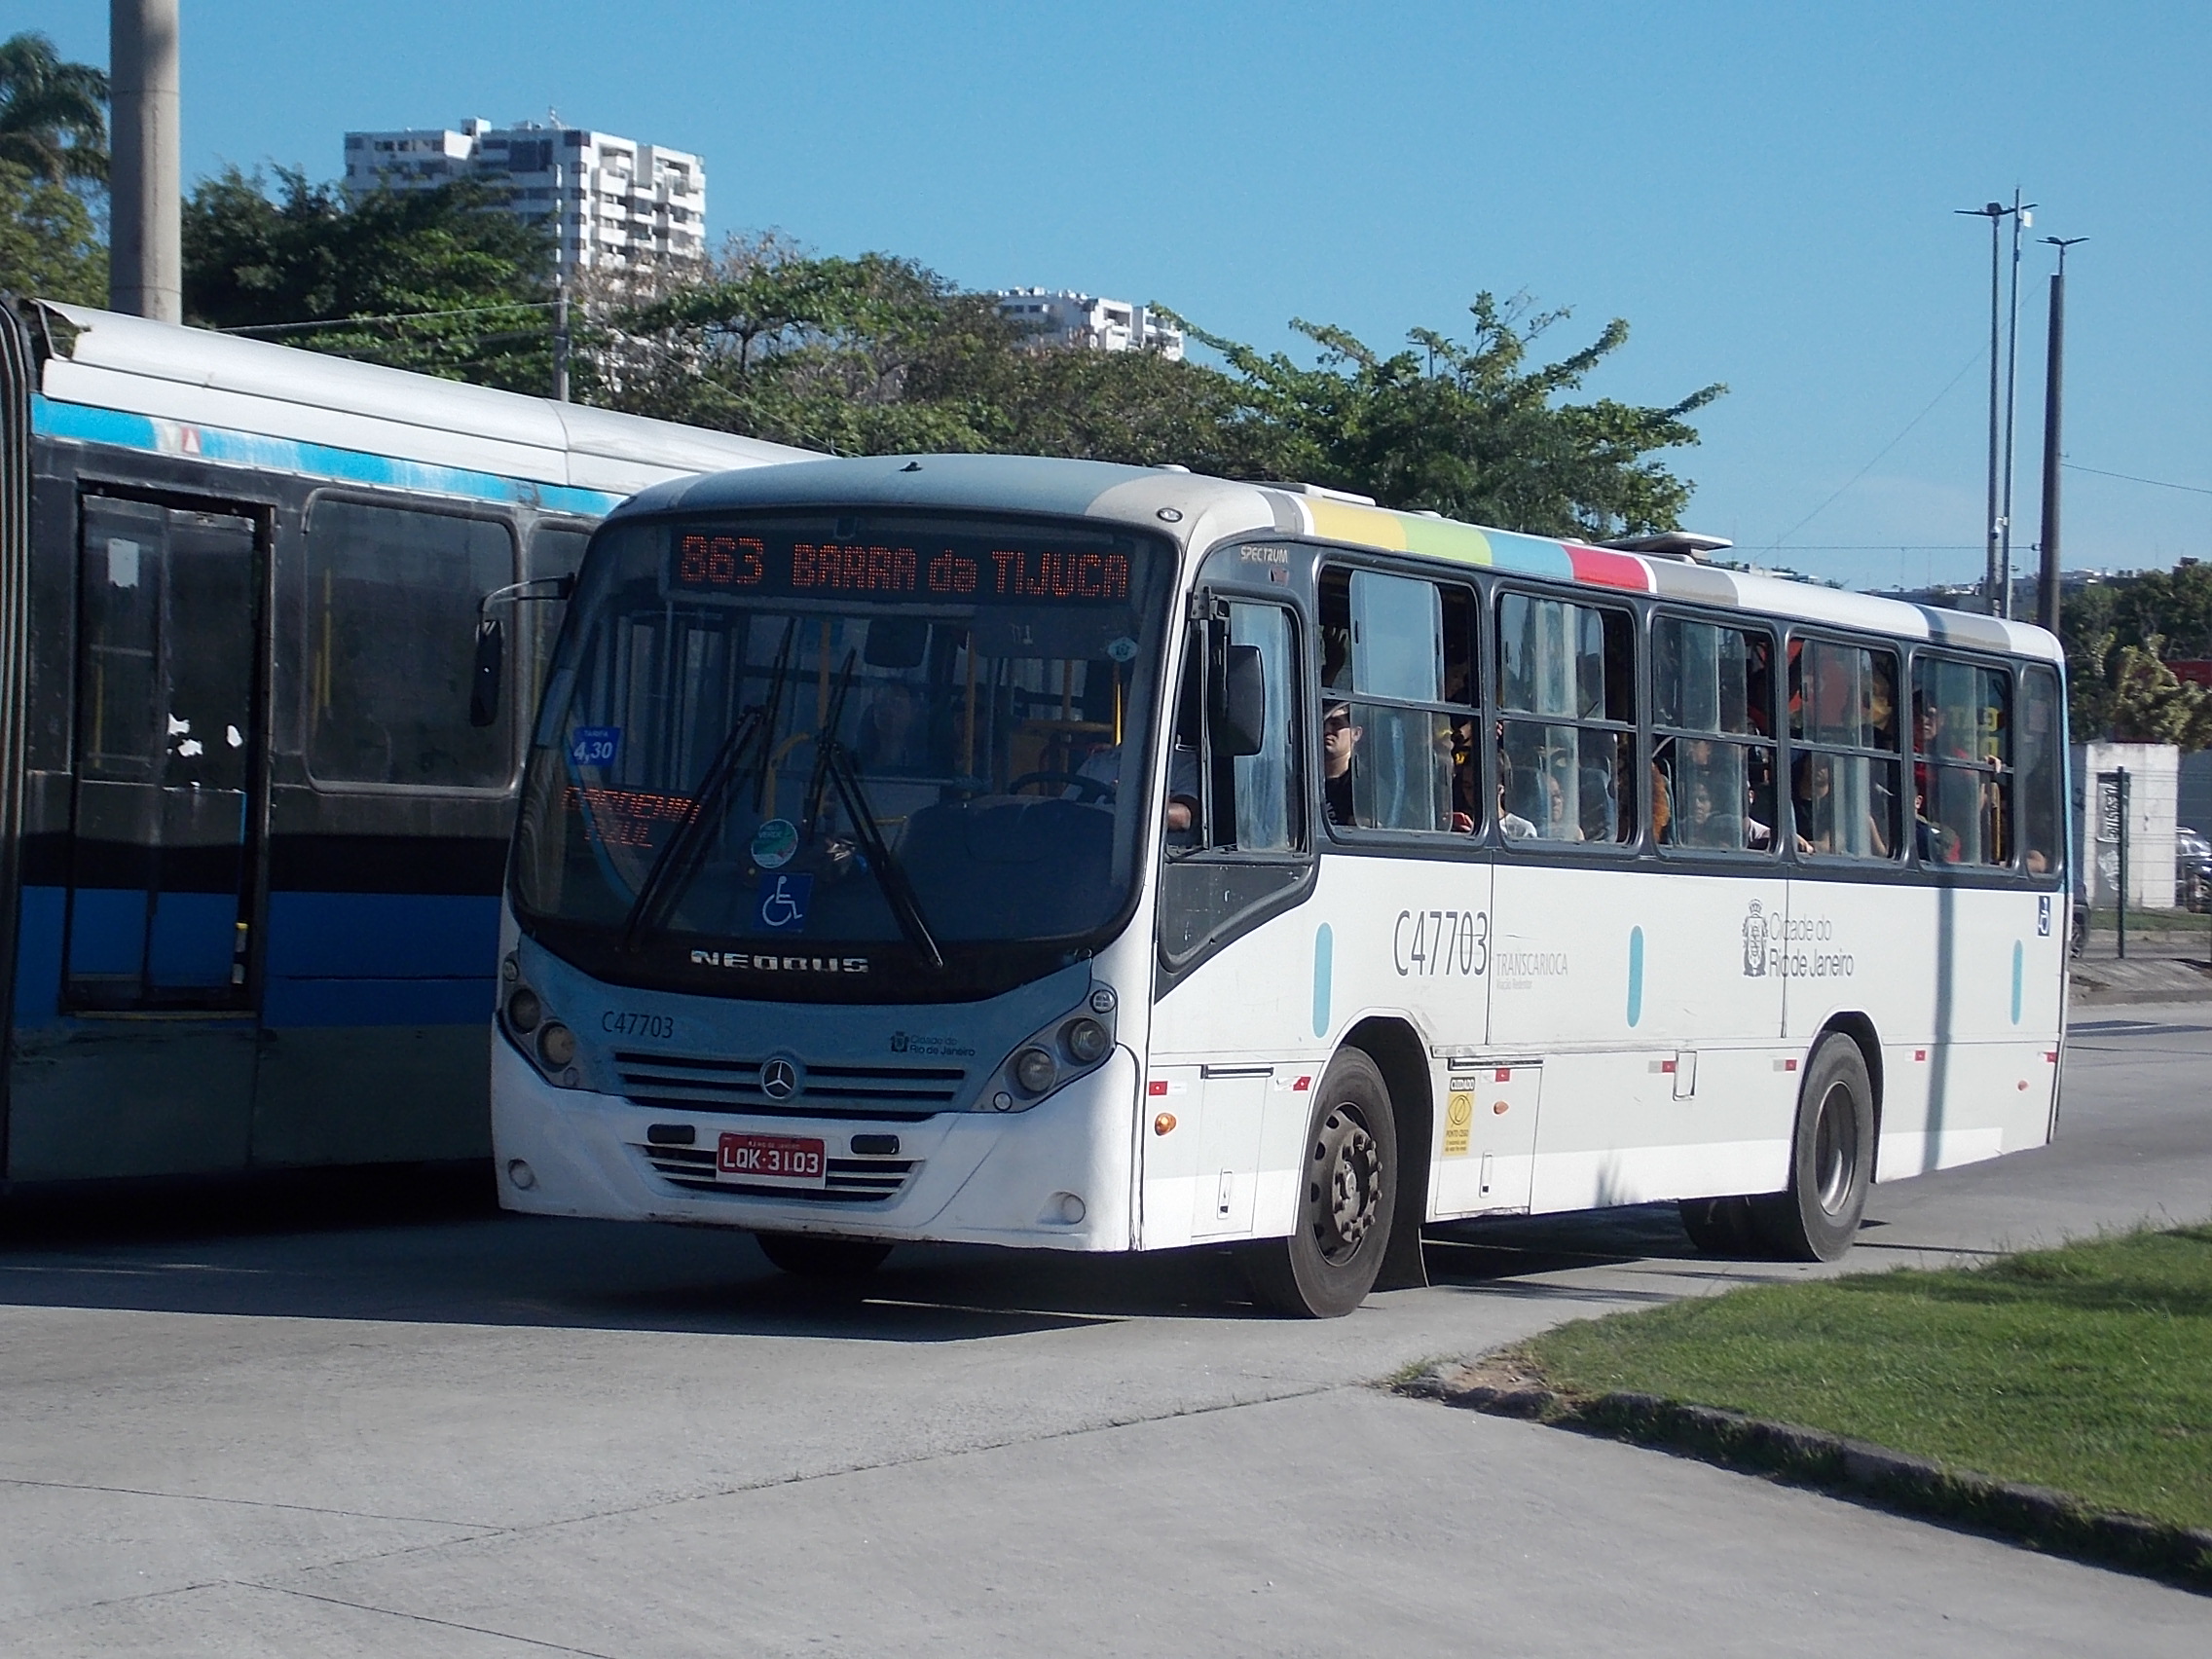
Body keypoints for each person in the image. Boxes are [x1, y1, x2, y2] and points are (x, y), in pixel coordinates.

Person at [1321, 702, 1362, 827]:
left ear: (1356, 733)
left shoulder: (1365, 786)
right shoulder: (1303, 778)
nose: (1327, 731)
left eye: (1336, 724)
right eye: (1323, 725)